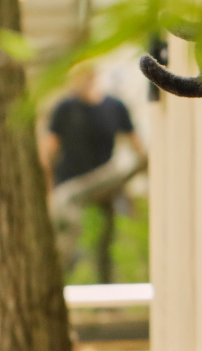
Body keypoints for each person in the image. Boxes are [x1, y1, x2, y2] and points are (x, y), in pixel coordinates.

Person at [39, 64, 146, 283]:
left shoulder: (114, 107)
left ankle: (108, 294)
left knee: (106, 240)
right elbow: (48, 152)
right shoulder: (65, 108)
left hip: (105, 182)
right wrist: (49, 190)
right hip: (73, 185)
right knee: (66, 213)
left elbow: (137, 147)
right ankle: (63, 273)